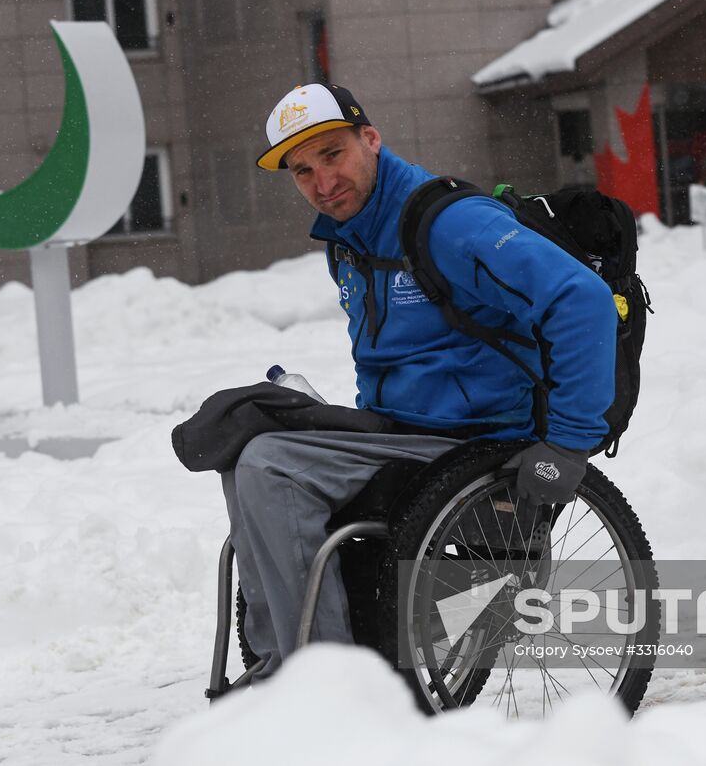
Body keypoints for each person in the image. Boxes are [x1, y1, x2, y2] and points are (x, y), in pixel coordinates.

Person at [222, 82, 617, 678]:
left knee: (269, 467)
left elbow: (582, 300)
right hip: (403, 433)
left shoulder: (449, 224)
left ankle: (323, 683)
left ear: (371, 139)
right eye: (303, 171)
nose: (322, 184)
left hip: (474, 442)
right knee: (240, 441)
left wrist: (568, 444)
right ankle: (282, 660)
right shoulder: (348, 240)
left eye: (333, 155)